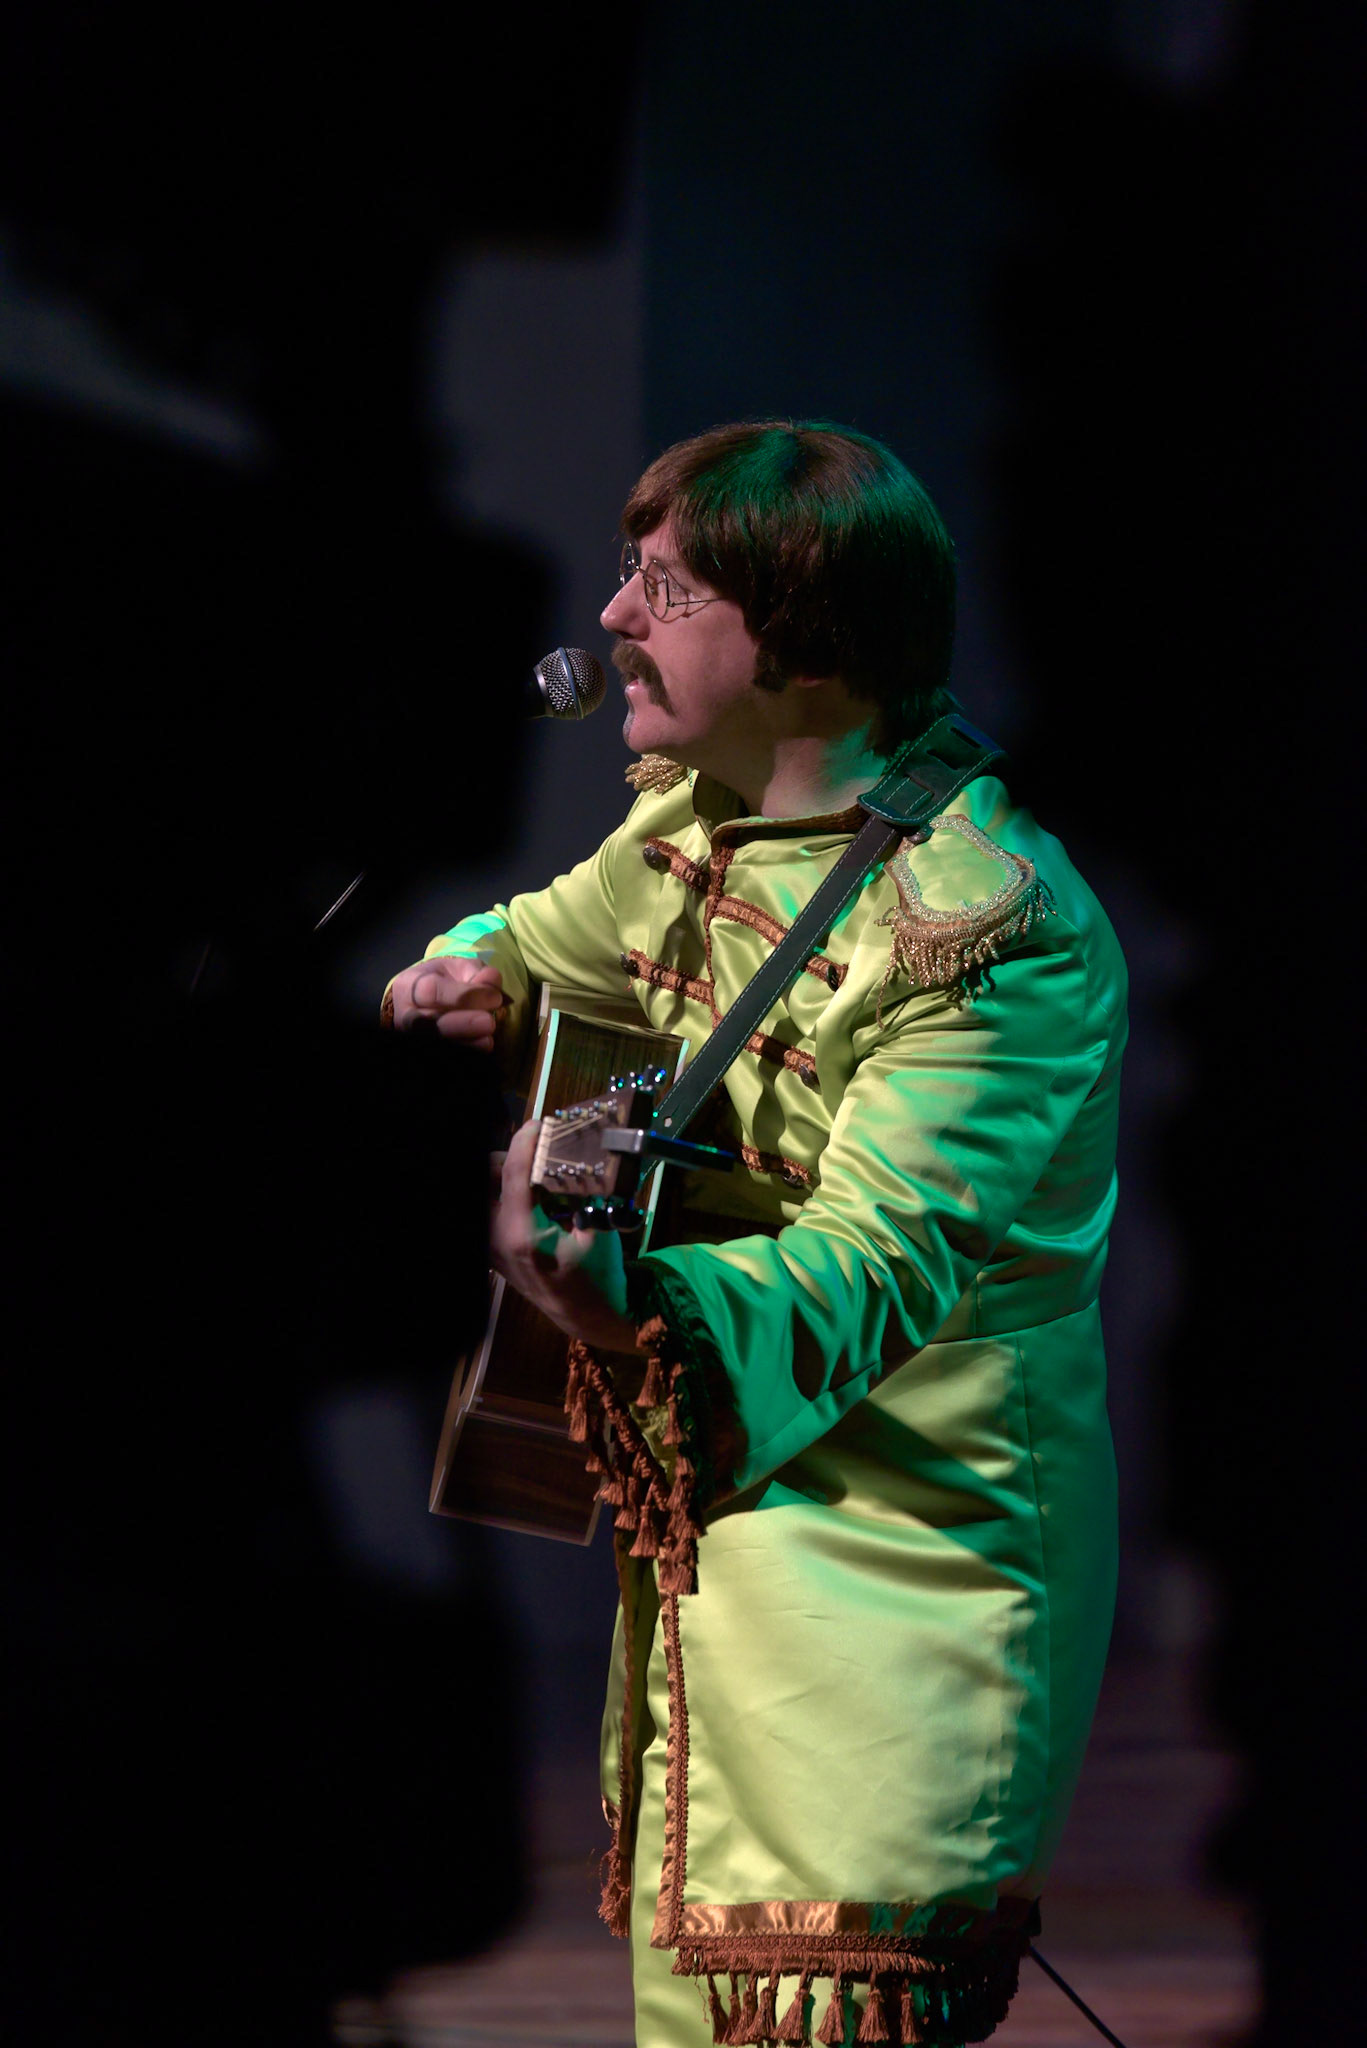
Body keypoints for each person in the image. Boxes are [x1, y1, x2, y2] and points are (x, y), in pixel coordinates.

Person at [387, 421, 1126, 2047]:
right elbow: (544, 930)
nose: (613, 619)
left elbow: (882, 1261)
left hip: (907, 1563)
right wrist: (470, 970)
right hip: (719, 1556)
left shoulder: (984, 930)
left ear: (793, 638)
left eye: (663, 586)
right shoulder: (688, 831)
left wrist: (618, 1296)